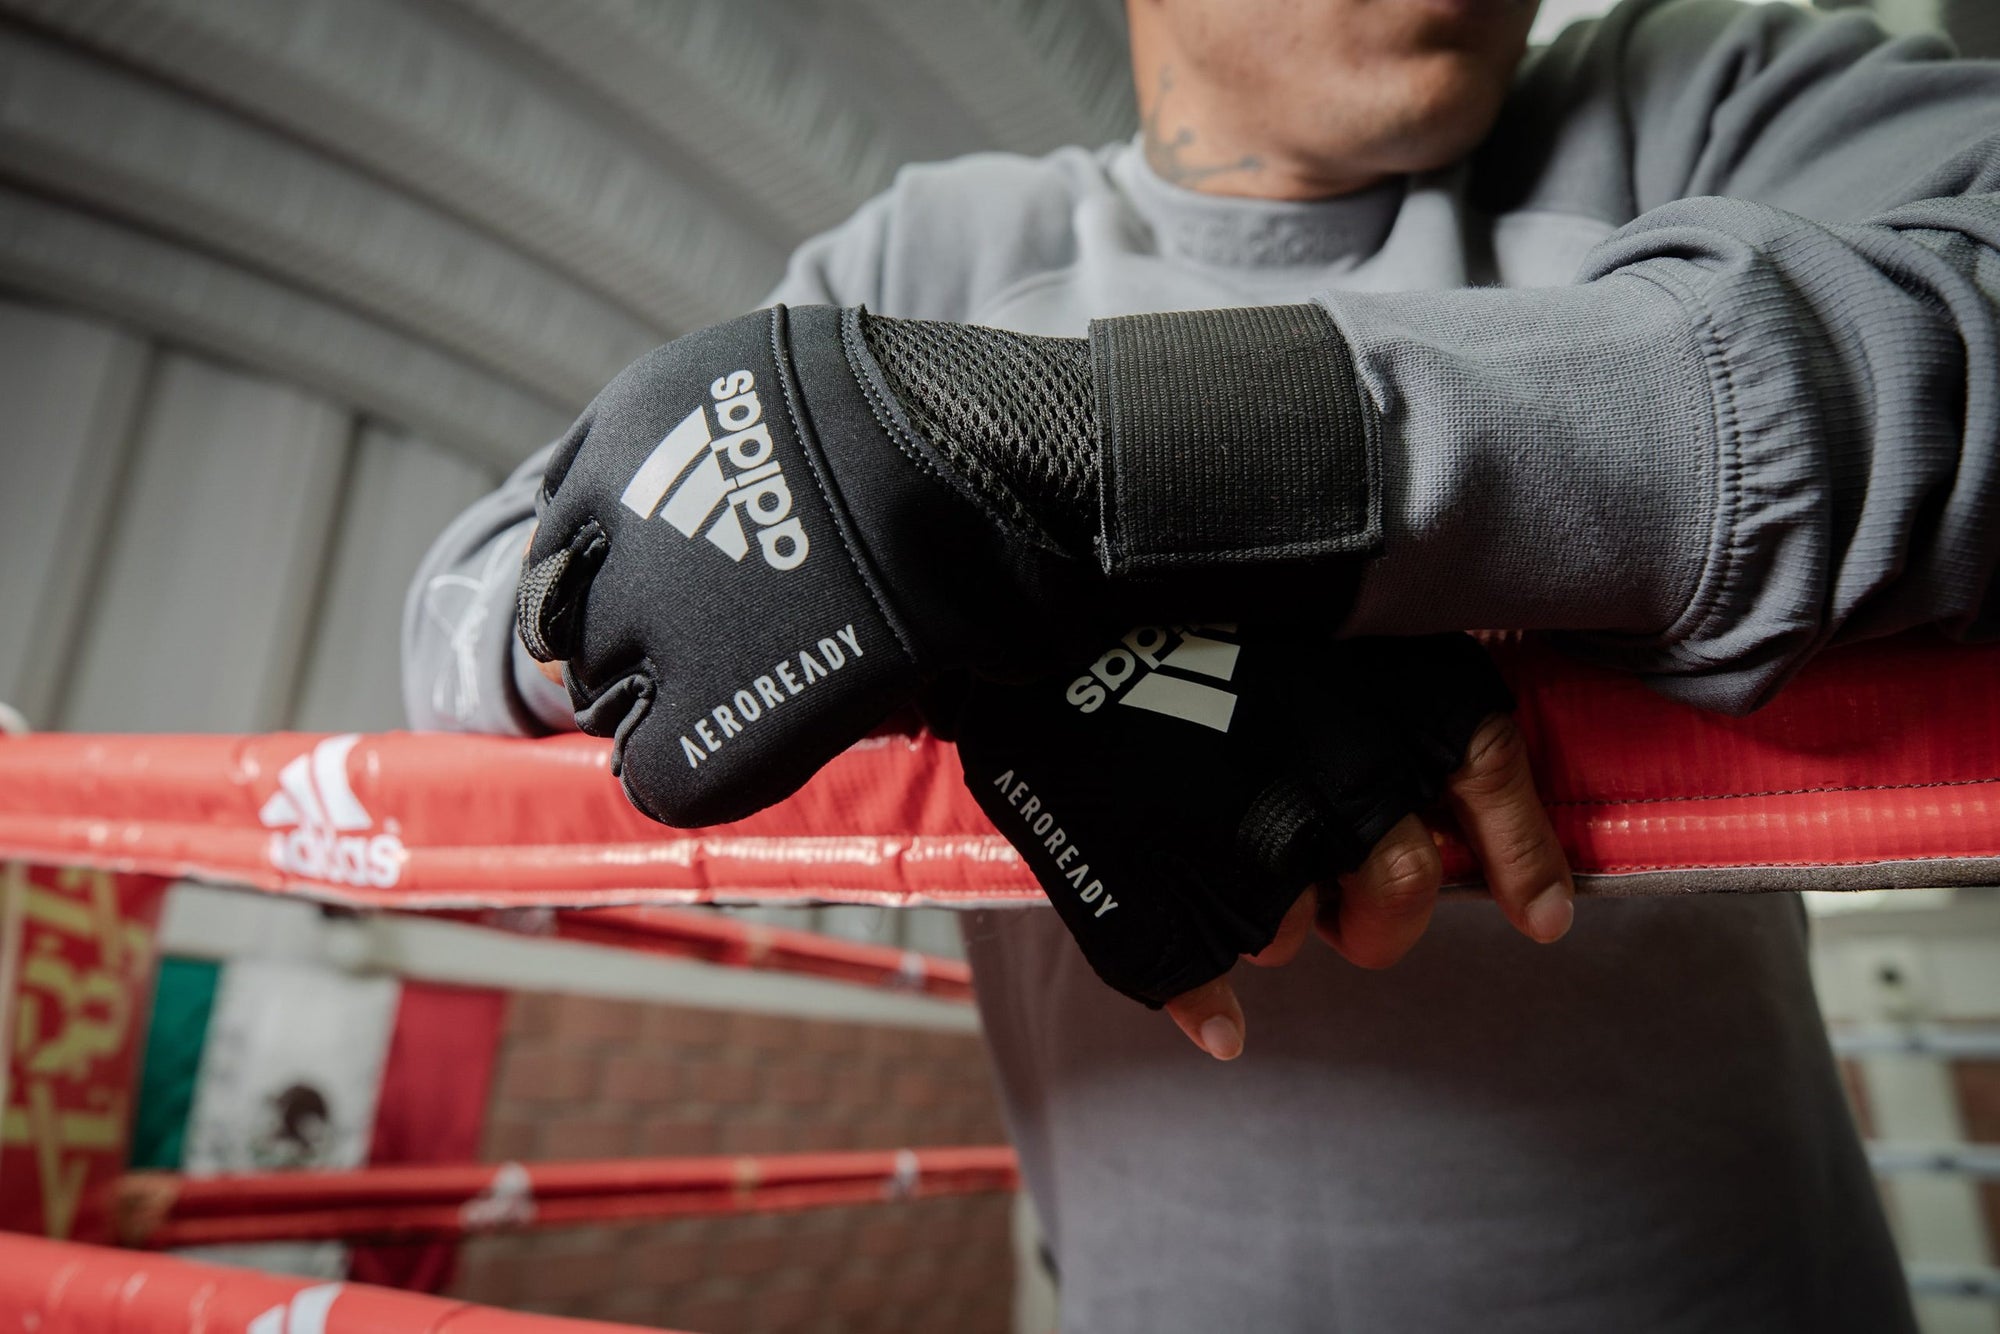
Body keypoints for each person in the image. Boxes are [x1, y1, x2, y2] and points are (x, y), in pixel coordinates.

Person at [406, 0, 2000, 1326]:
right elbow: (479, 599)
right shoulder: (941, 253)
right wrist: (1016, 636)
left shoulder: (1696, 99)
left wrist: (1169, 475)